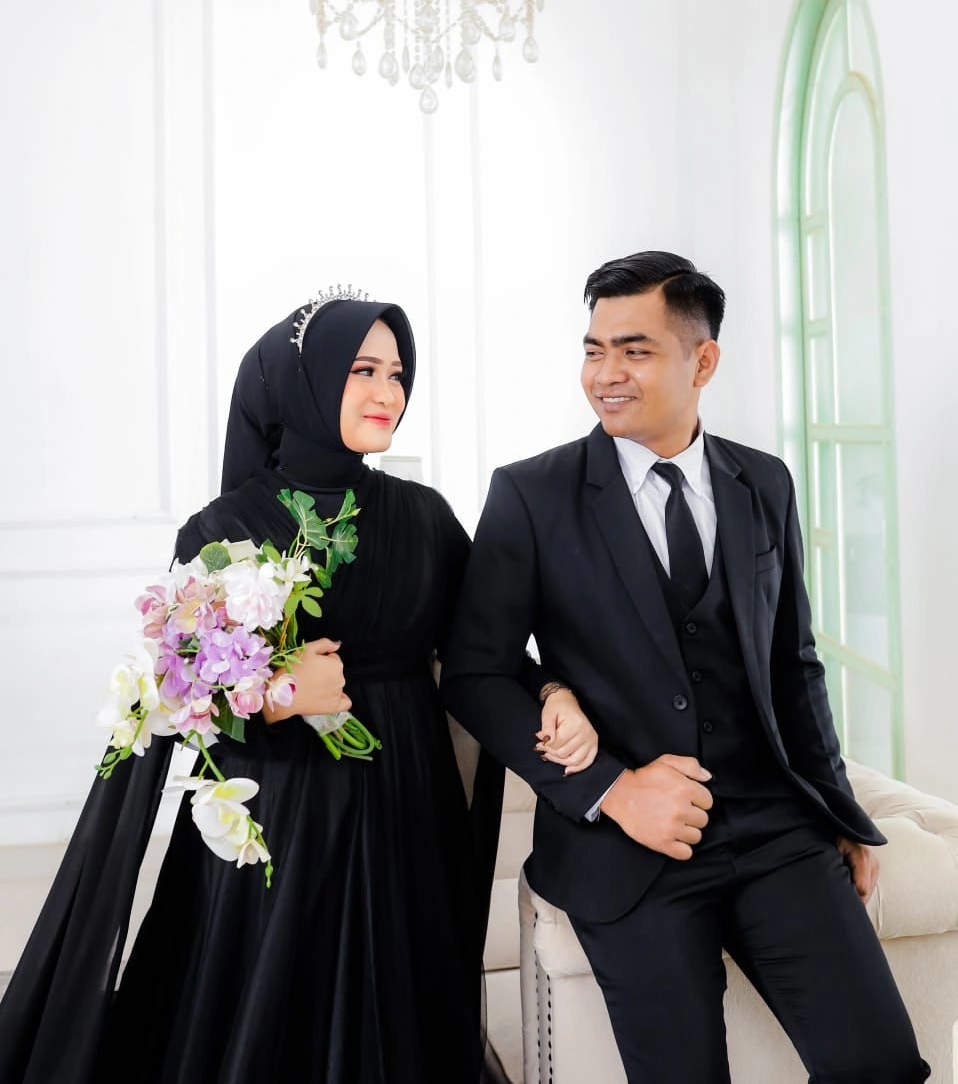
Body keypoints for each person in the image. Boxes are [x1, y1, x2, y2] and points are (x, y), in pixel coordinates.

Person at [0, 293, 594, 1084]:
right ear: (305, 383)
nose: (388, 393)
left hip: (404, 804)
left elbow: (481, 649)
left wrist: (552, 690)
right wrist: (278, 692)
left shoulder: (424, 517)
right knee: (268, 1005)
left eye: (397, 373)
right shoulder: (221, 529)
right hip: (279, 811)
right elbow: (176, 695)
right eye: (362, 370)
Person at [441, 251, 930, 1084]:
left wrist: (840, 811)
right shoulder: (531, 494)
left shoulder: (763, 482)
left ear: (703, 361)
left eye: (634, 350)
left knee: (881, 1063)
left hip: (775, 830)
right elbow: (474, 672)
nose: (606, 374)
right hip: (627, 847)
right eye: (594, 349)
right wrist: (612, 788)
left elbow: (794, 662)